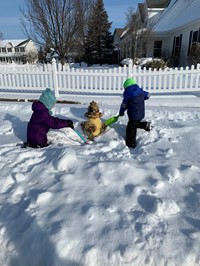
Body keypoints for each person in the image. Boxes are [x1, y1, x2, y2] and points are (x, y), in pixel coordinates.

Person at [119, 78, 151, 148]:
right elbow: (148, 95)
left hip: (133, 115)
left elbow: (124, 104)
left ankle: (131, 143)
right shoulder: (140, 91)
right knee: (135, 123)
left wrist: (121, 111)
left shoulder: (127, 93)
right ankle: (145, 125)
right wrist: (141, 98)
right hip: (141, 113)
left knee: (131, 129)